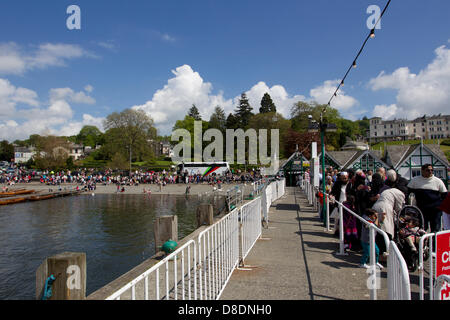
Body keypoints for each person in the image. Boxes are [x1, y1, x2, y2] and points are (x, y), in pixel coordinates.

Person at [407, 164, 448, 233]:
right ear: (422, 171)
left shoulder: (438, 181)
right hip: (421, 209)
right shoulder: (415, 181)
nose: (430, 172)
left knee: (435, 229)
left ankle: (434, 243)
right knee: (422, 229)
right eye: (428, 170)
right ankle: (423, 243)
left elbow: (444, 195)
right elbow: (408, 193)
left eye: (432, 170)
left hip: (435, 211)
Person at [371, 187, 405, 255]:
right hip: (385, 208)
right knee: (387, 229)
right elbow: (399, 207)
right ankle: (385, 250)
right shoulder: (400, 194)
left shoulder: (387, 191)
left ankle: (376, 250)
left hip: (375, 206)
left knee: (377, 228)